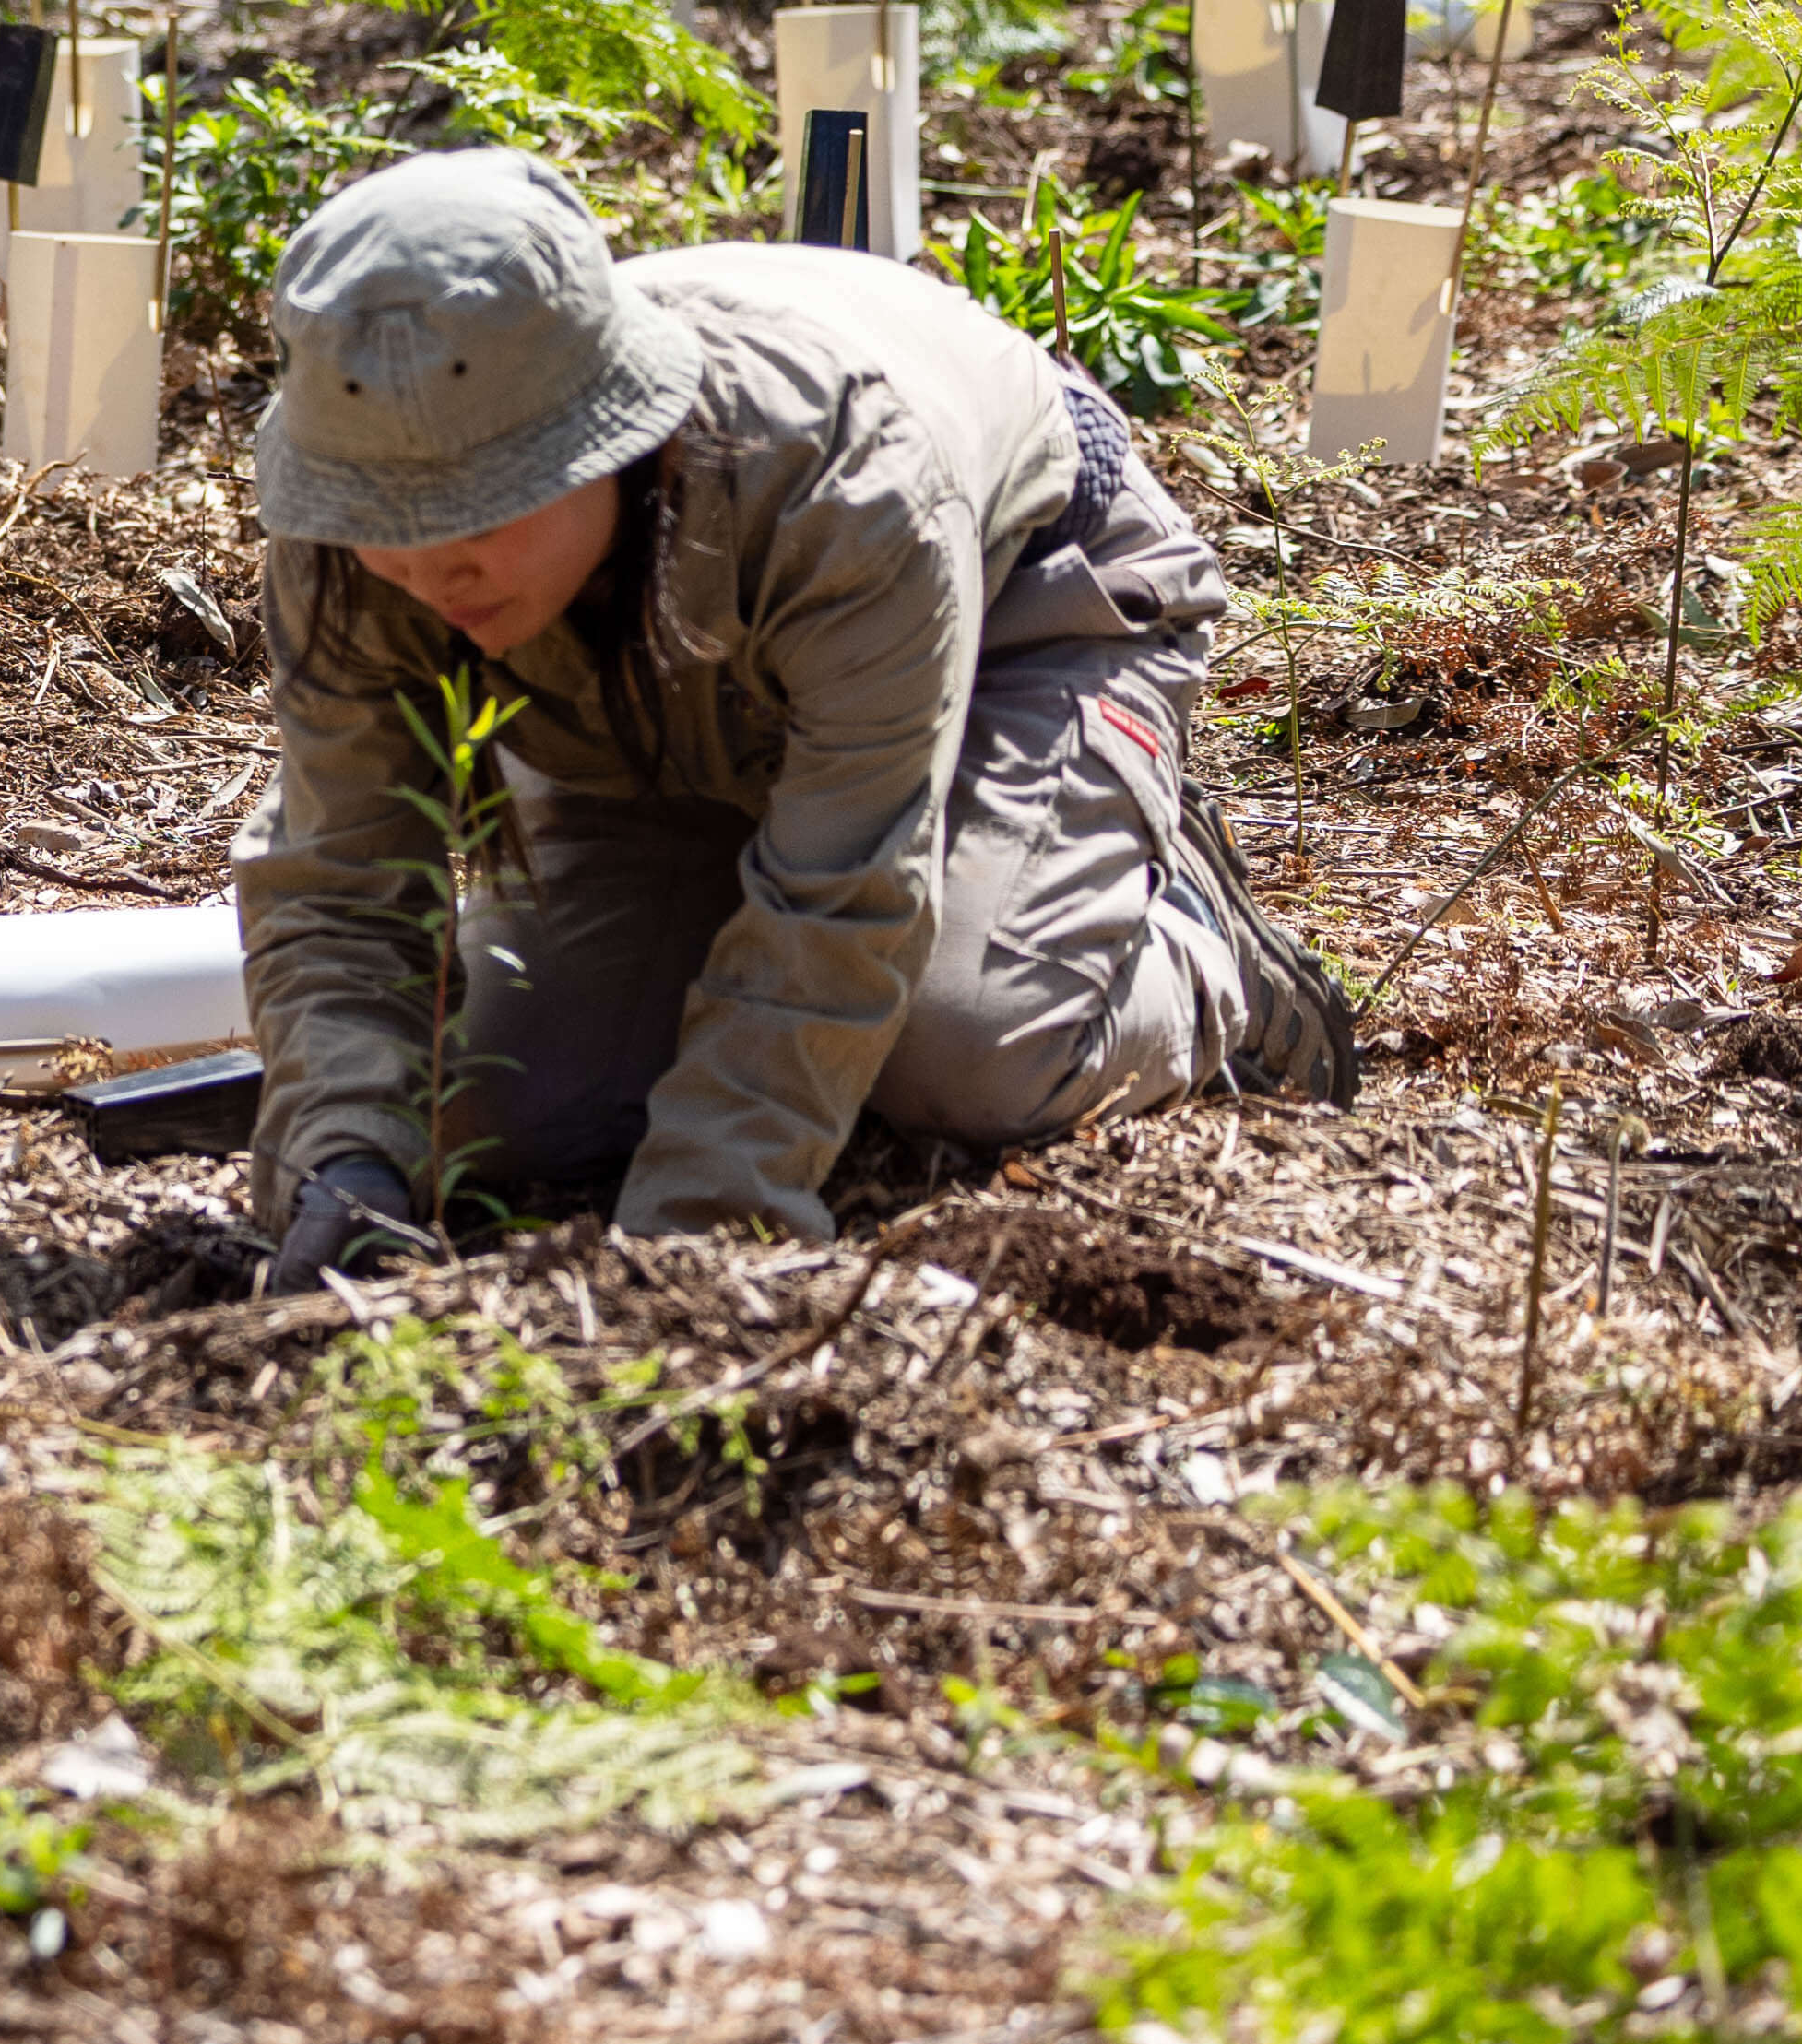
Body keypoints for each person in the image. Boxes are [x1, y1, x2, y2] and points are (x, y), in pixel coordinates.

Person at [233, 154, 1351, 1289]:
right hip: (666, 719)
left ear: (607, 439)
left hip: (1030, 605)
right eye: (384, 518)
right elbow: (341, 869)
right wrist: (343, 1160)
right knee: (513, 1111)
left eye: (479, 508)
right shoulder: (346, 515)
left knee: (972, 1045)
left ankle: (1200, 950)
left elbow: (843, 892)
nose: (423, 566)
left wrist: (693, 1247)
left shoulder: (846, 486)